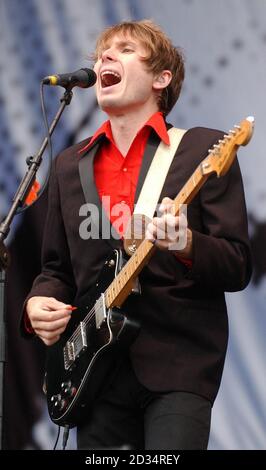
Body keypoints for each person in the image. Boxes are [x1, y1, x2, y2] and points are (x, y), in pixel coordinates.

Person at [23, 20, 252, 450]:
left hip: (178, 365)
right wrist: (37, 303)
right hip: (95, 372)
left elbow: (238, 264)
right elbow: (56, 268)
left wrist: (186, 244)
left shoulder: (201, 150)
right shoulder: (70, 165)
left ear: (161, 78)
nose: (105, 58)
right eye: (102, 52)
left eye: (124, 50)